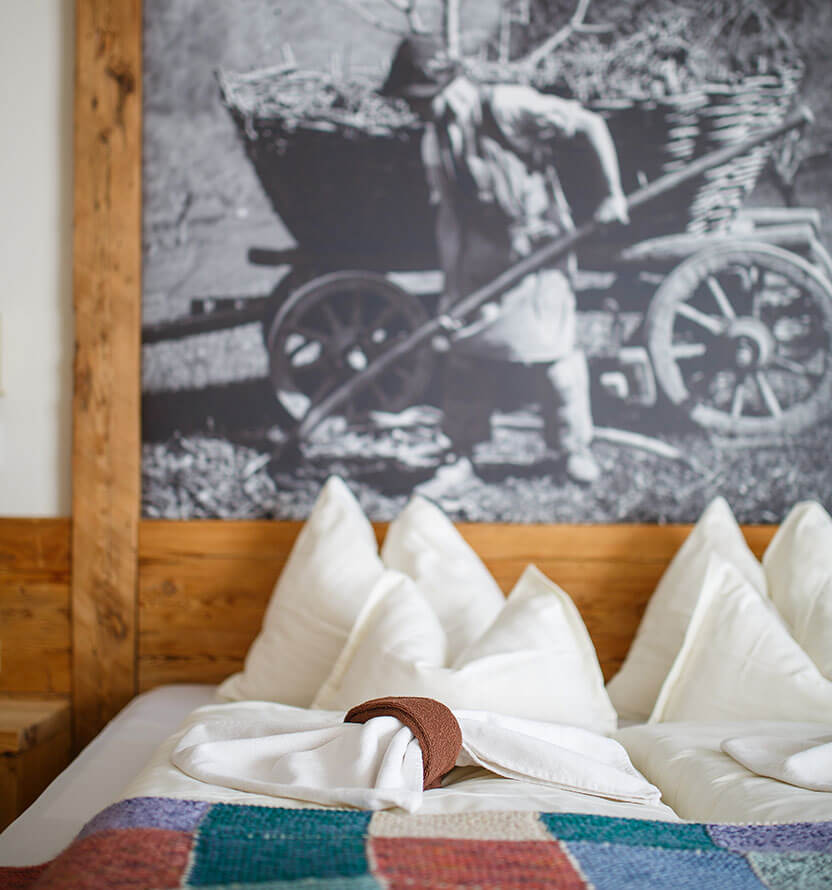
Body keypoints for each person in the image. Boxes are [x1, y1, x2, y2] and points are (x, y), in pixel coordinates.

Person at [380, 36, 629, 493]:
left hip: (541, 248)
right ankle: (461, 458)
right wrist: (453, 291)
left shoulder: (506, 106)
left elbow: (589, 124)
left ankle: (573, 450)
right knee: (464, 353)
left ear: (442, 88)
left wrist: (612, 194)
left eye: (417, 101)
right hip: (483, 252)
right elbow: (449, 218)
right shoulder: (434, 140)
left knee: (554, 357)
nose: (413, 111)